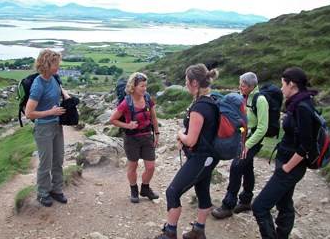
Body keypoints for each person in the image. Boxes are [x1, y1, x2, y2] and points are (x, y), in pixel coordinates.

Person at [154, 63, 219, 239]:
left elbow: (191, 140)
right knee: (203, 191)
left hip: (201, 157)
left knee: (172, 192)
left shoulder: (200, 107)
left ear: (195, 83)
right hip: (209, 157)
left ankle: (170, 233)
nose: (185, 85)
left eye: (186, 81)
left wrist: (180, 134)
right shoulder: (209, 101)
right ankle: (198, 231)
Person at [252, 67, 318, 239]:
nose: (281, 89)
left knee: (259, 206)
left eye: (283, 84)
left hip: (291, 166)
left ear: (292, 84)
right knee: (284, 203)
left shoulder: (302, 107)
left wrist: (287, 168)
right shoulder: (299, 102)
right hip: (287, 161)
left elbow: (306, 145)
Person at [212, 72, 269, 219]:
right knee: (247, 166)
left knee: (236, 167)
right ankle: (246, 201)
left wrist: (247, 145)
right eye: (240, 84)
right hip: (243, 137)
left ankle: (228, 205)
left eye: (243, 85)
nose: (240, 87)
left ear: (251, 86)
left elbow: (263, 127)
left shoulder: (260, 100)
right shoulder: (242, 96)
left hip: (254, 140)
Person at [25, 49, 70, 207]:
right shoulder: (38, 84)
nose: (58, 66)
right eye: (55, 63)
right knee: (45, 163)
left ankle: (56, 190)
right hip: (43, 128)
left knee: (58, 159)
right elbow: (29, 113)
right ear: (47, 64)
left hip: (57, 125)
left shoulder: (54, 78)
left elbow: (60, 89)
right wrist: (51, 112)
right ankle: (43, 193)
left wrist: (68, 98)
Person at [110, 72, 160, 203]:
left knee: (150, 167)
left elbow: (154, 117)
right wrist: (128, 125)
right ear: (134, 87)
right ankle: (133, 190)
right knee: (133, 166)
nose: (145, 89)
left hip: (147, 136)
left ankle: (145, 188)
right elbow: (113, 120)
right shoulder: (126, 103)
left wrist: (157, 134)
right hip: (132, 139)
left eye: (145, 86)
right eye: (142, 86)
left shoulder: (148, 98)